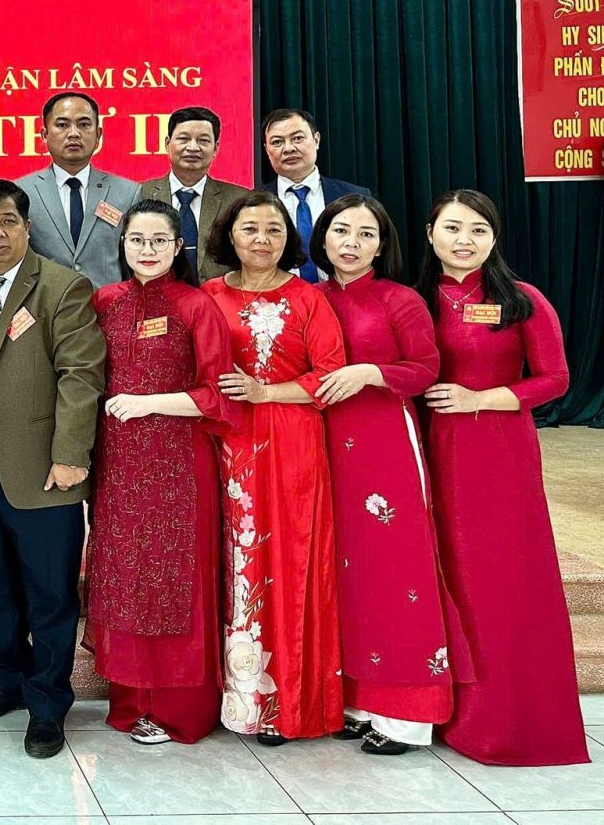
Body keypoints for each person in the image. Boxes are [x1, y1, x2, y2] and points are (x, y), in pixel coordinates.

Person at [417, 189, 586, 767]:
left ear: (494, 238)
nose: (464, 240)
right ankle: (432, 708)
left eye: (478, 230)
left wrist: (480, 398)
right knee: (437, 572)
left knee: (498, 577)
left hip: (496, 453)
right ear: (430, 234)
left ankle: (502, 716)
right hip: (424, 450)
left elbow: (555, 379)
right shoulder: (412, 299)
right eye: (453, 228)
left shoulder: (521, 300)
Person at [0, 180, 104, 758]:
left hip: (45, 468)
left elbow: (80, 376)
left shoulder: (62, 286)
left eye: (8, 221)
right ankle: (8, 676)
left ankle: (48, 702)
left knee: (50, 591)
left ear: (27, 227)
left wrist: (70, 455)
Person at [308, 194, 459, 756]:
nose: (351, 243)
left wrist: (370, 372)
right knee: (341, 572)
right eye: (341, 230)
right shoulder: (309, 297)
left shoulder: (400, 299)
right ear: (322, 237)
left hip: (383, 446)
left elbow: (426, 369)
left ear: (382, 244)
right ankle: (354, 702)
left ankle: (404, 714)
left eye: (366, 234)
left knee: (395, 571)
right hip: (321, 448)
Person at [85, 199, 236, 748]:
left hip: (178, 463)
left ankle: (179, 708)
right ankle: (131, 700)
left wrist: (149, 404)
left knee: (175, 577)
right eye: (136, 240)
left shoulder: (197, 305)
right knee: (124, 576)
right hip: (118, 465)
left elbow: (219, 395)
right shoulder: (105, 301)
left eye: (158, 240)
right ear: (122, 245)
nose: (147, 250)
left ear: (178, 247)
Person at [201, 191, 346, 744]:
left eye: (274, 230)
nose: (262, 239)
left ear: (290, 239)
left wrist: (266, 392)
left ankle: (284, 705)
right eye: (250, 229)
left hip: (291, 444)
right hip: (223, 447)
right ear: (229, 236)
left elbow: (330, 375)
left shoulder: (308, 298)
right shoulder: (209, 296)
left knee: (287, 562)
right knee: (231, 563)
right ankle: (230, 699)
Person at [16, 92, 141, 289]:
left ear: (98, 135)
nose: (74, 133)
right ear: (44, 135)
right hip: (47, 305)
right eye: (62, 125)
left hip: (109, 304)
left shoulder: (127, 193)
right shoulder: (21, 191)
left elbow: (135, 263)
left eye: (84, 124)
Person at [256, 108, 371, 283]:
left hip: (343, 293)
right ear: (266, 149)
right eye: (277, 142)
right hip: (277, 295)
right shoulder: (253, 203)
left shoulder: (354, 196)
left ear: (316, 140)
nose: (288, 148)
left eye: (297, 138)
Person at [138, 106, 250, 281]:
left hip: (219, 296)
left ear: (215, 148)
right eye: (183, 139)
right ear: (167, 144)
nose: (192, 147)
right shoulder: (140, 194)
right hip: (155, 294)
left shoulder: (239, 199)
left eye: (203, 140)